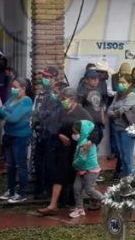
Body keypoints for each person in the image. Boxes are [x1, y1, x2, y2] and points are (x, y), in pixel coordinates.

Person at [36, 87, 97, 216]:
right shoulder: (61, 111)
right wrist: (59, 135)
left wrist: (89, 142)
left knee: (83, 178)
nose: (62, 101)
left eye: (64, 98)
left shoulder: (82, 113)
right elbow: (53, 126)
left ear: (72, 99)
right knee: (59, 175)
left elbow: (94, 131)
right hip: (64, 149)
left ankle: (96, 199)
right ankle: (53, 205)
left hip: (78, 149)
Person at [0, 78, 34, 203]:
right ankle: (10, 190)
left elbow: (13, 118)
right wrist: (5, 112)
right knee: (10, 165)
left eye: (16, 87)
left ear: (23, 88)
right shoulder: (12, 99)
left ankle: (22, 192)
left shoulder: (27, 101)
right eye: (12, 86)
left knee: (20, 164)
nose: (13, 89)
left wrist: (5, 112)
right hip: (9, 134)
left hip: (20, 136)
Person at [31, 67, 63, 199]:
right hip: (40, 132)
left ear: (55, 79)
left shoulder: (57, 95)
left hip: (51, 133)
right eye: (44, 76)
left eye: (48, 77)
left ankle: (47, 189)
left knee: (48, 163)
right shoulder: (40, 94)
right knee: (38, 161)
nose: (45, 79)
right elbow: (34, 112)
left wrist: (41, 115)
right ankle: (39, 186)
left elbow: (52, 114)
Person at [69, 119, 103, 219]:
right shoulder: (83, 141)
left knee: (89, 190)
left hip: (89, 170)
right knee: (77, 188)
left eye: (75, 133)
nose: (74, 135)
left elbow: (82, 159)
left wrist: (74, 164)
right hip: (82, 170)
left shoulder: (85, 144)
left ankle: (107, 200)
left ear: (82, 132)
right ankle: (79, 209)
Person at [107, 74, 135, 179]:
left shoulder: (131, 95)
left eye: (123, 82)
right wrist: (114, 112)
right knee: (121, 156)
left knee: (127, 157)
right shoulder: (117, 95)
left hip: (127, 129)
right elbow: (109, 109)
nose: (120, 84)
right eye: (119, 82)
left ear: (129, 84)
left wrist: (114, 112)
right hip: (118, 128)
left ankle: (129, 180)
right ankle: (125, 178)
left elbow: (123, 110)